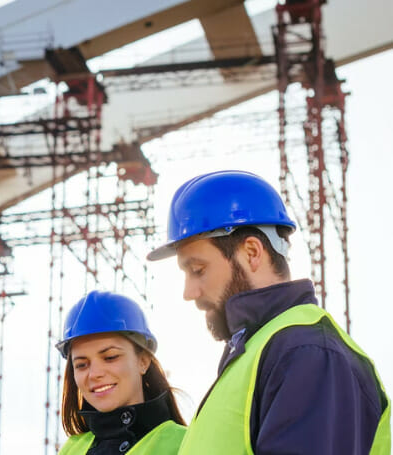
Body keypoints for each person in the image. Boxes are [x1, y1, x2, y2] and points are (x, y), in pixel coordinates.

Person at [147, 170, 390, 454]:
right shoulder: (260, 354)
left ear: (252, 252)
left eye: (198, 270)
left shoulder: (308, 353)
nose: (189, 292)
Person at [57, 291, 186, 455]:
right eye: (82, 365)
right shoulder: (71, 449)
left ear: (143, 361)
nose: (95, 373)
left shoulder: (183, 443)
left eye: (110, 357)